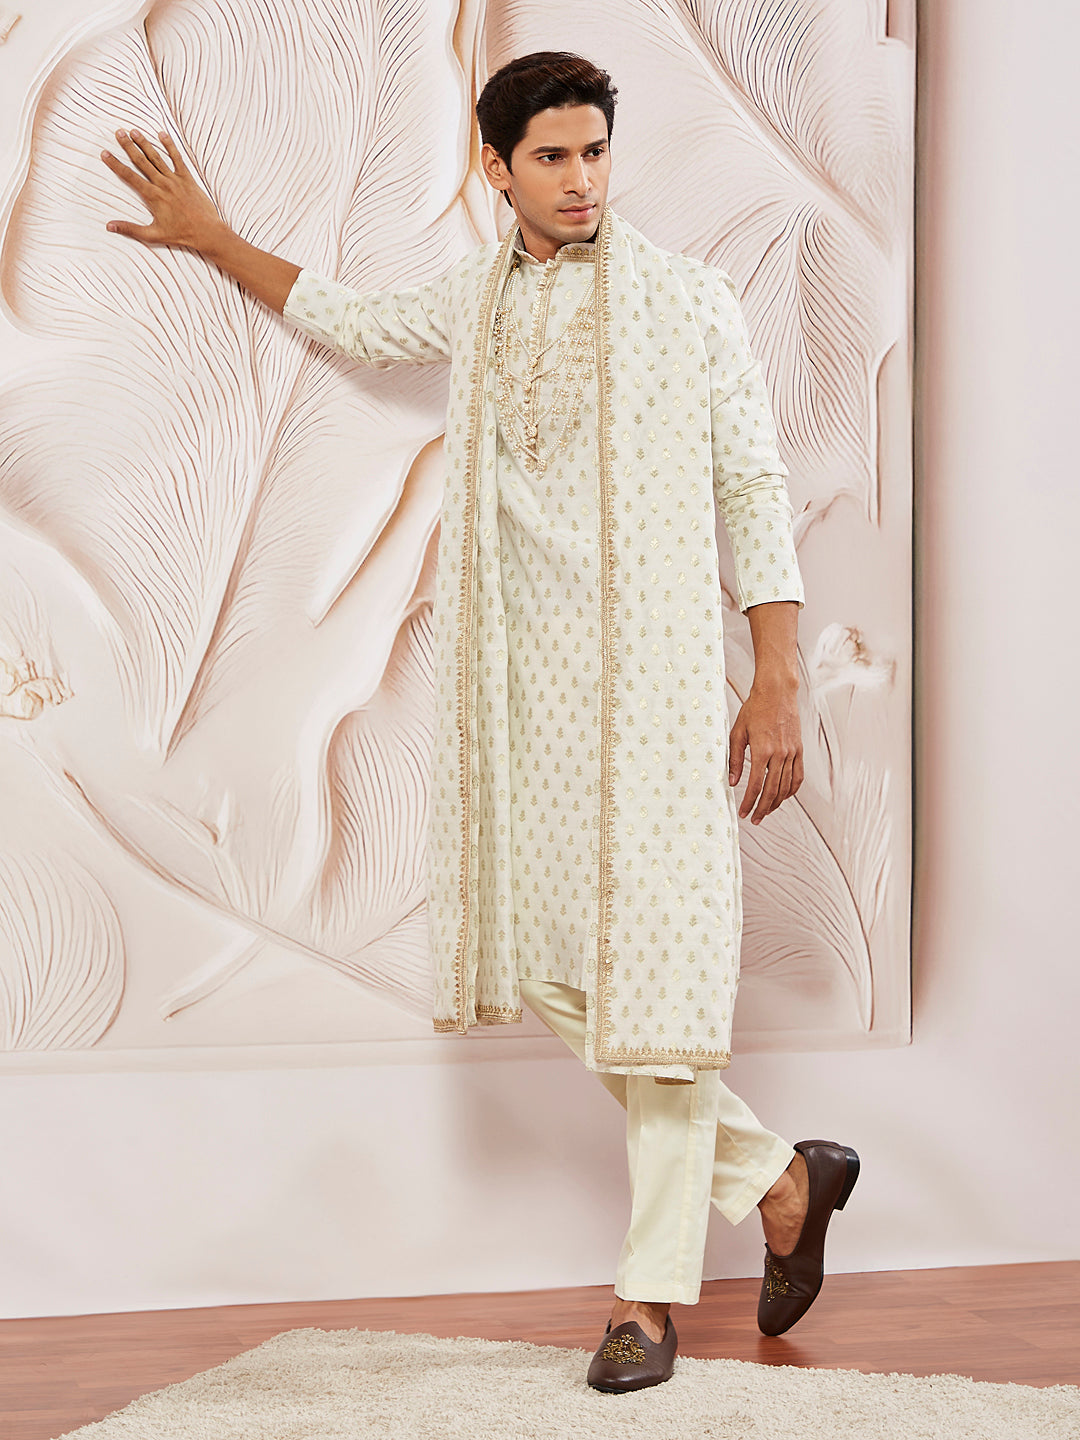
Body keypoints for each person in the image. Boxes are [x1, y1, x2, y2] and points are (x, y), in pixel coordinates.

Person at [100, 50, 859, 1394]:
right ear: (496, 168)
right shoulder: (478, 301)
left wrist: (778, 673)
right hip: (526, 701)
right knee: (551, 964)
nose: (581, 181)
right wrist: (215, 238)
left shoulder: (690, 301)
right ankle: (781, 1183)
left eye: (595, 152)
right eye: (552, 158)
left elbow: (752, 483)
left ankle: (647, 1298)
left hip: (665, 693)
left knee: (662, 986)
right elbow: (350, 318)